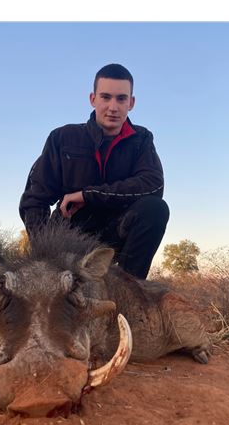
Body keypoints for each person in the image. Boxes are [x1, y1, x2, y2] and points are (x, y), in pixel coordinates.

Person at [19, 63, 169, 280]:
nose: (113, 107)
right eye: (105, 97)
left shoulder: (142, 139)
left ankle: (127, 290)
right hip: (69, 237)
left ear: (131, 103)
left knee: (155, 209)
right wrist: (45, 253)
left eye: (121, 99)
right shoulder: (62, 138)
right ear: (93, 99)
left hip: (116, 233)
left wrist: (87, 195)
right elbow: (34, 200)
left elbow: (153, 185)